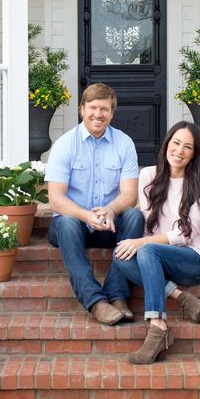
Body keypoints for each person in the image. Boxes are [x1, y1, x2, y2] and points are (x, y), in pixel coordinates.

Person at [113, 121, 200, 364]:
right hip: (161, 255)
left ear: (194, 154)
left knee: (145, 247)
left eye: (187, 147)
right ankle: (181, 297)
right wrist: (141, 244)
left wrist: (142, 243)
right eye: (176, 143)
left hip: (195, 259)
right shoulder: (149, 175)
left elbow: (186, 234)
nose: (179, 151)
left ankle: (157, 326)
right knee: (121, 257)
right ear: (167, 144)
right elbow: (149, 224)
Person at [45, 82, 145, 326]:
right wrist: (85, 216)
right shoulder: (65, 145)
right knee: (67, 222)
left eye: (104, 109)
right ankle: (95, 301)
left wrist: (111, 209)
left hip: (108, 226)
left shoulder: (124, 144)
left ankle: (117, 295)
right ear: (81, 109)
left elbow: (130, 195)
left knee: (134, 217)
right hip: (74, 226)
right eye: (92, 107)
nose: (98, 114)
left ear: (112, 112)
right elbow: (55, 199)